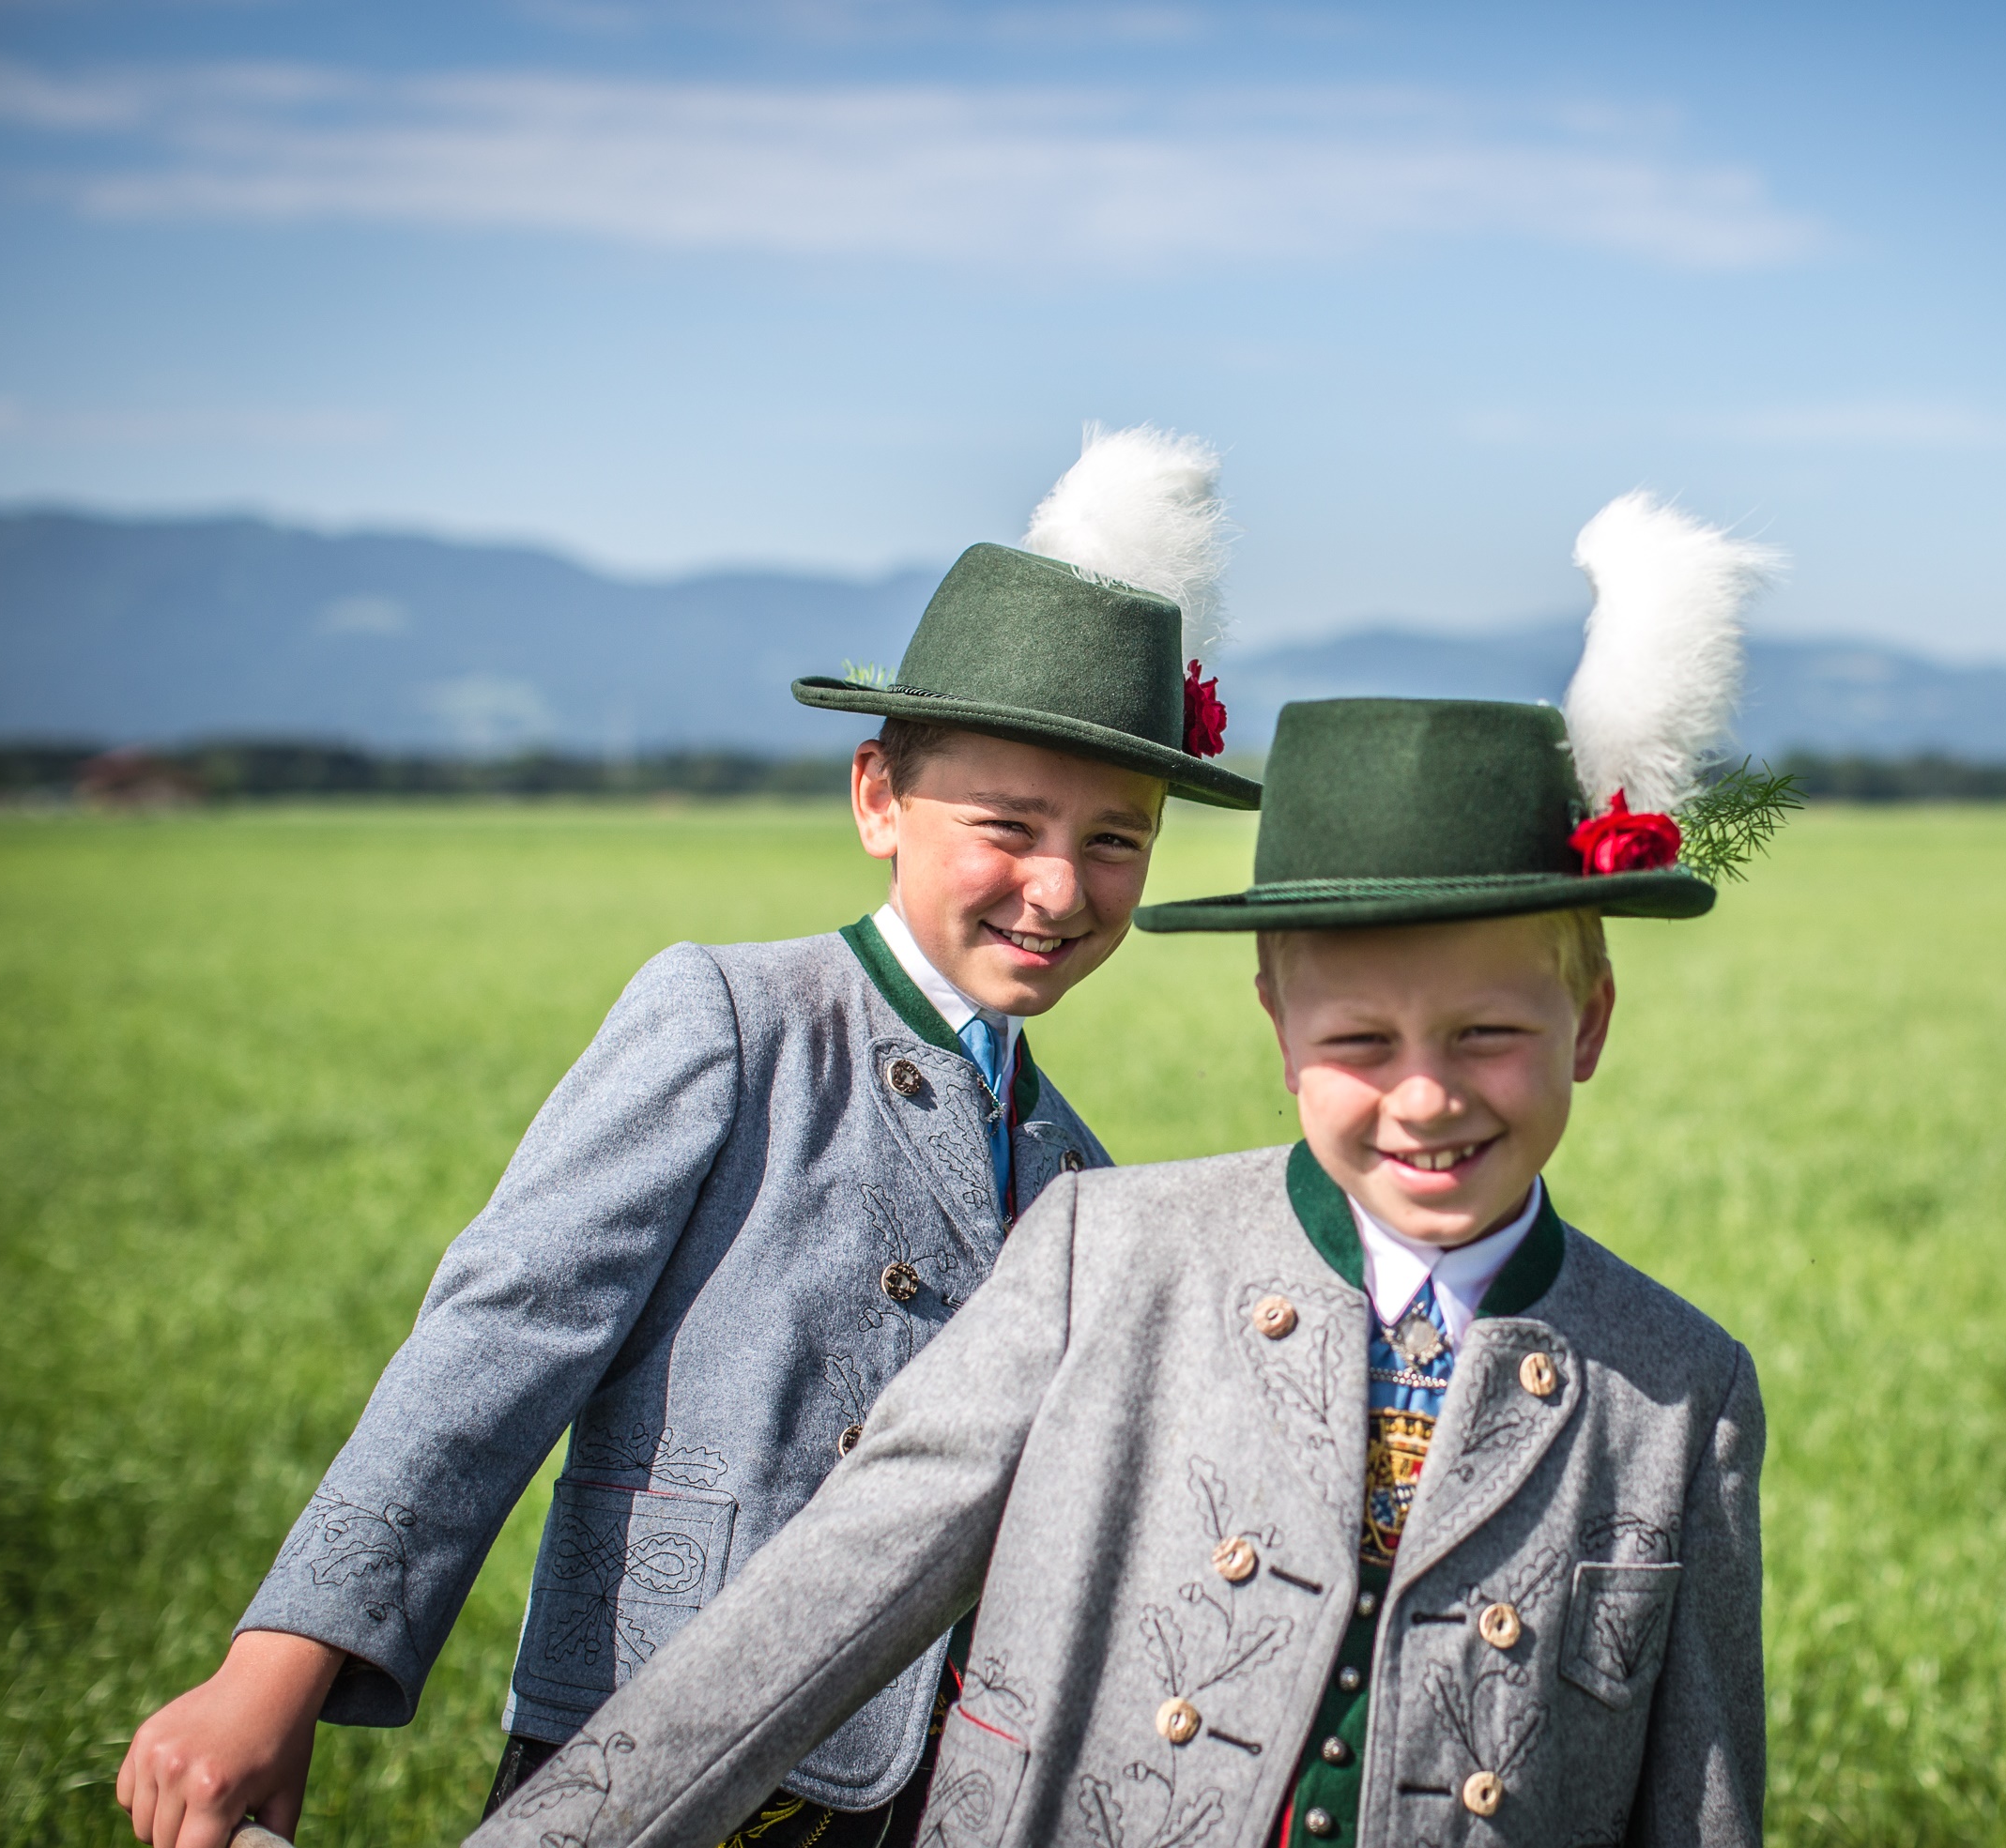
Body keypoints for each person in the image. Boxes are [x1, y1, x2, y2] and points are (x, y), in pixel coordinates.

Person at [463, 491, 1785, 1848]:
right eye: (1360, 1039)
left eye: (1490, 1034)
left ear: (1594, 1020)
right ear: (1277, 1025)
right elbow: (816, 1610)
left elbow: (1700, 1800)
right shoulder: (1112, 1254)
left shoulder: (1679, 1387)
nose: (1426, 1093)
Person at [115, 427, 1261, 1848]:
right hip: (651, 1752)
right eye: (1007, 822)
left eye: (1116, 839)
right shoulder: (733, 1018)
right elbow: (497, 1339)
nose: (1057, 884)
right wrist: (275, 1662)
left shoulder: (1082, 1170)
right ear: (876, 798)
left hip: (937, 1797)